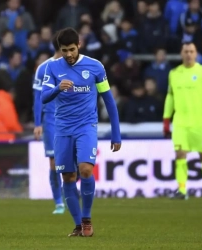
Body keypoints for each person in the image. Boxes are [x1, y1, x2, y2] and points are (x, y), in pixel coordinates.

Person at [41, 28, 121, 237]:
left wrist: (116, 133)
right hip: (62, 128)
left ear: (79, 45)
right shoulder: (52, 67)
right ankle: (77, 225)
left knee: (85, 170)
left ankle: (86, 218)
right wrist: (58, 88)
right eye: (64, 50)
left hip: (86, 126)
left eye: (72, 49)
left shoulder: (95, 67)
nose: (68, 54)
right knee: (68, 176)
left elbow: (108, 100)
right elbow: (44, 97)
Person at [163, 42, 202, 200]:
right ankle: (182, 190)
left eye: (191, 51)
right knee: (180, 154)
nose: (189, 54)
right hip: (181, 123)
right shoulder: (174, 73)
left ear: (196, 54)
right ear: (181, 54)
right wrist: (166, 118)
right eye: (186, 51)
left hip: (200, 122)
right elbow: (170, 96)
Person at [33, 32, 65, 214]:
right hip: (51, 120)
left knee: (75, 162)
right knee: (54, 162)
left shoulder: (76, 66)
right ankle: (59, 202)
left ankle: (69, 191)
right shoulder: (43, 68)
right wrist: (38, 123)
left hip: (72, 119)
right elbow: (38, 98)